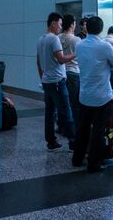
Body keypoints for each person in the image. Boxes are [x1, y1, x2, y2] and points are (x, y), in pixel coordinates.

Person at [72, 16, 113, 173]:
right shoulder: (104, 46)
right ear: (100, 29)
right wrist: (106, 66)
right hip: (102, 96)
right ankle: (94, 164)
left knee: (82, 129)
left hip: (84, 95)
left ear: (87, 28)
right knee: (98, 131)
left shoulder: (79, 45)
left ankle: (77, 159)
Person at [37, 12, 76, 151]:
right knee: (66, 112)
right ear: (53, 23)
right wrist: (75, 54)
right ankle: (73, 142)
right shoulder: (54, 39)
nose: (61, 27)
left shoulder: (41, 39)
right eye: (59, 24)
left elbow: (38, 62)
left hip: (47, 81)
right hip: (57, 82)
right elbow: (61, 59)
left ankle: (51, 141)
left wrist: (43, 78)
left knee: (49, 113)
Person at [59, 14, 81, 133]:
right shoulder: (76, 39)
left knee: (63, 102)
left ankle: (62, 127)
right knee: (73, 103)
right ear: (72, 24)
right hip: (74, 73)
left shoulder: (58, 38)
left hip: (62, 73)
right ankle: (72, 129)